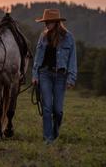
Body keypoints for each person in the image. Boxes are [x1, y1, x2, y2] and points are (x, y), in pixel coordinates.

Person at [32, 8, 77, 144]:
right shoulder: (43, 37)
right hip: (44, 74)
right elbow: (37, 58)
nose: (46, 25)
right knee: (46, 107)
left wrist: (71, 78)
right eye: (45, 22)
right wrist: (35, 75)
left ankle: (55, 132)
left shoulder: (68, 38)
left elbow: (72, 60)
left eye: (49, 22)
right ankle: (48, 138)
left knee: (58, 110)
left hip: (60, 76)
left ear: (56, 22)